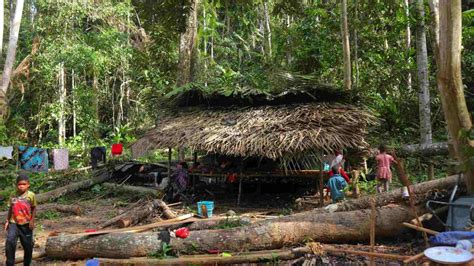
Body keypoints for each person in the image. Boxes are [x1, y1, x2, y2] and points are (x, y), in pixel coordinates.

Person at [4, 173, 37, 266]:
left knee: (28, 245)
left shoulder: (31, 195)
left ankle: (27, 263)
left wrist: (32, 220)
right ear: (16, 185)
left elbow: (34, 208)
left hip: (26, 224)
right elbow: (11, 208)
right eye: (19, 184)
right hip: (13, 223)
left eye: (24, 184)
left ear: (28, 185)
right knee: (10, 242)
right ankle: (10, 263)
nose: (21, 186)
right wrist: (7, 221)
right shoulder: (13, 195)